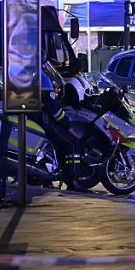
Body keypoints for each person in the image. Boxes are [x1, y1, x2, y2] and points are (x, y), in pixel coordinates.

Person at [38, 60, 85, 190]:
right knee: (73, 143)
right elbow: (55, 110)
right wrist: (68, 126)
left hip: (33, 118)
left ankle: (51, 175)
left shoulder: (25, 73)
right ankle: (73, 181)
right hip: (44, 120)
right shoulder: (42, 78)